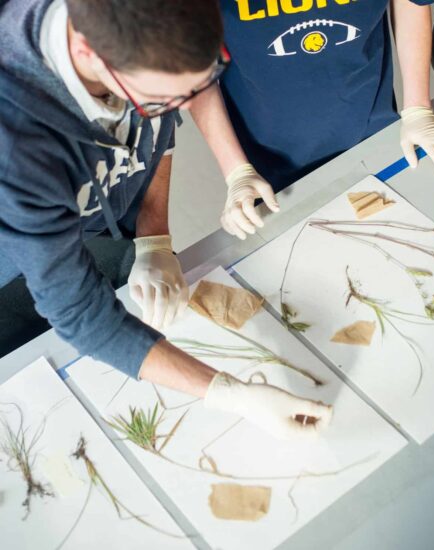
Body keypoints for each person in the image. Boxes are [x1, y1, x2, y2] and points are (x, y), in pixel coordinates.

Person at [0, 0, 332, 440]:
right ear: (86, 53)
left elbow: (157, 127)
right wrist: (234, 395)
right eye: (160, 100)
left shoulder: (142, 48)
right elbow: (80, 315)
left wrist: (154, 236)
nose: (186, 105)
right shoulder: (17, 146)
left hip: (92, 217)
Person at [189, 0, 434, 240]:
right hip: (268, 152)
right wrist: (236, 170)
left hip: (370, 120)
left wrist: (418, 109)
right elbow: (190, 62)